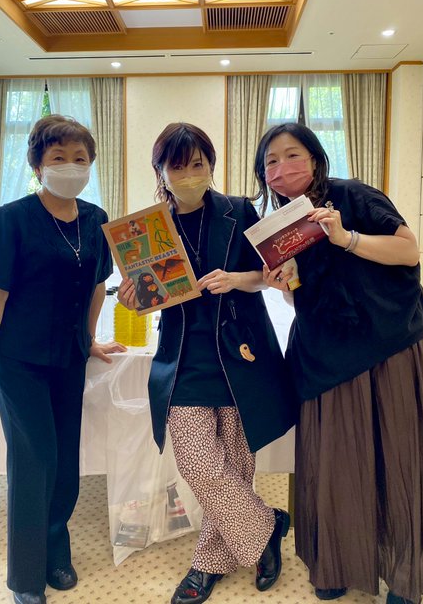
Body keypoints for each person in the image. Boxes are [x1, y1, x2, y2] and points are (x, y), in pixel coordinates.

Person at [253, 122, 423, 604]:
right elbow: (304, 299)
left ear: (315, 158)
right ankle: (338, 562)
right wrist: (285, 286)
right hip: (327, 355)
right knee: (335, 466)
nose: (281, 168)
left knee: (400, 460)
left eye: (291, 155)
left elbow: (408, 250)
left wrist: (346, 238)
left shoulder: (352, 195)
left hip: (390, 345)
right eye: (270, 162)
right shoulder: (281, 228)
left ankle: (406, 575)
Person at [119, 122, 297, 604]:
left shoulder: (239, 211)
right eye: (177, 167)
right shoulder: (147, 230)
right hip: (182, 361)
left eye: (197, 164)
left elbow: (268, 274)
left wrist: (237, 279)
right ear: (160, 171)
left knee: (235, 468)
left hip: (240, 354)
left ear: (211, 165)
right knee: (202, 467)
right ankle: (266, 527)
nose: (189, 175)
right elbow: (146, 300)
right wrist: (134, 300)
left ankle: (208, 563)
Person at [0, 115, 126, 604]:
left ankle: (57, 549)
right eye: (58, 157)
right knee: (33, 459)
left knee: (63, 462)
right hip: (19, 359)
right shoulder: (12, 218)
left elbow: (98, 285)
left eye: (80, 158)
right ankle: (25, 577)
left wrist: (89, 339)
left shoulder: (96, 219)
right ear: (37, 165)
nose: (70, 166)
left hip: (69, 356)